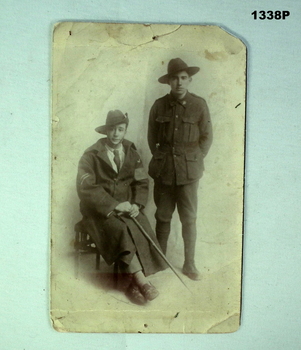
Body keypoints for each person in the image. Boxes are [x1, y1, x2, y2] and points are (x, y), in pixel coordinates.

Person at [76, 110, 166, 305]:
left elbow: (141, 182)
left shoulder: (132, 152)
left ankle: (131, 284)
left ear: (125, 131)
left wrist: (136, 204)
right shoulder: (90, 155)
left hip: (127, 207)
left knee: (142, 225)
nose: (116, 134)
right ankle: (142, 281)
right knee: (122, 231)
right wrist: (114, 205)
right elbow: (86, 188)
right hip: (99, 211)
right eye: (112, 129)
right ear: (105, 131)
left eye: (120, 129)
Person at [148, 58, 213, 281]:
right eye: (174, 78)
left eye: (183, 78)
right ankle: (160, 260)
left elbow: (206, 137)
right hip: (164, 171)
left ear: (190, 80)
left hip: (189, 173)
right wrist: (161, 158)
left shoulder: (199, 104)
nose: (179, 83)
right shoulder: (159, 105)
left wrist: (193, 159)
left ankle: (189, 263)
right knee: (163, 216)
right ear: (168, 81)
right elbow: (152, 137)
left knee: (189, 218)